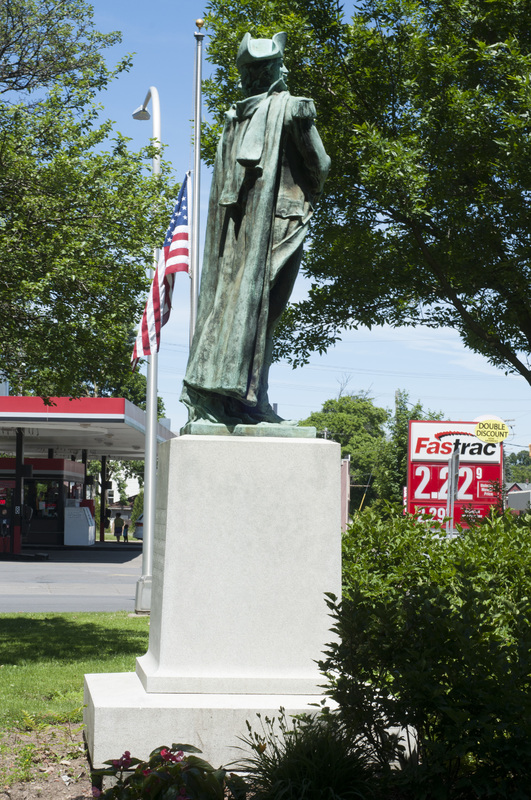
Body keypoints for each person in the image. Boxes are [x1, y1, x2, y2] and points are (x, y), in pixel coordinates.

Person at [181, 31, 330, 428]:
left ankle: (245, 400)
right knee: (260, 315)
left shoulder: (236, 117)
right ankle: (237, 399)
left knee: (245, 313)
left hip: (242, 234)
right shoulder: (292, 109)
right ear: (274, 70)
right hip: (278, 226)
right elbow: (320, 168)